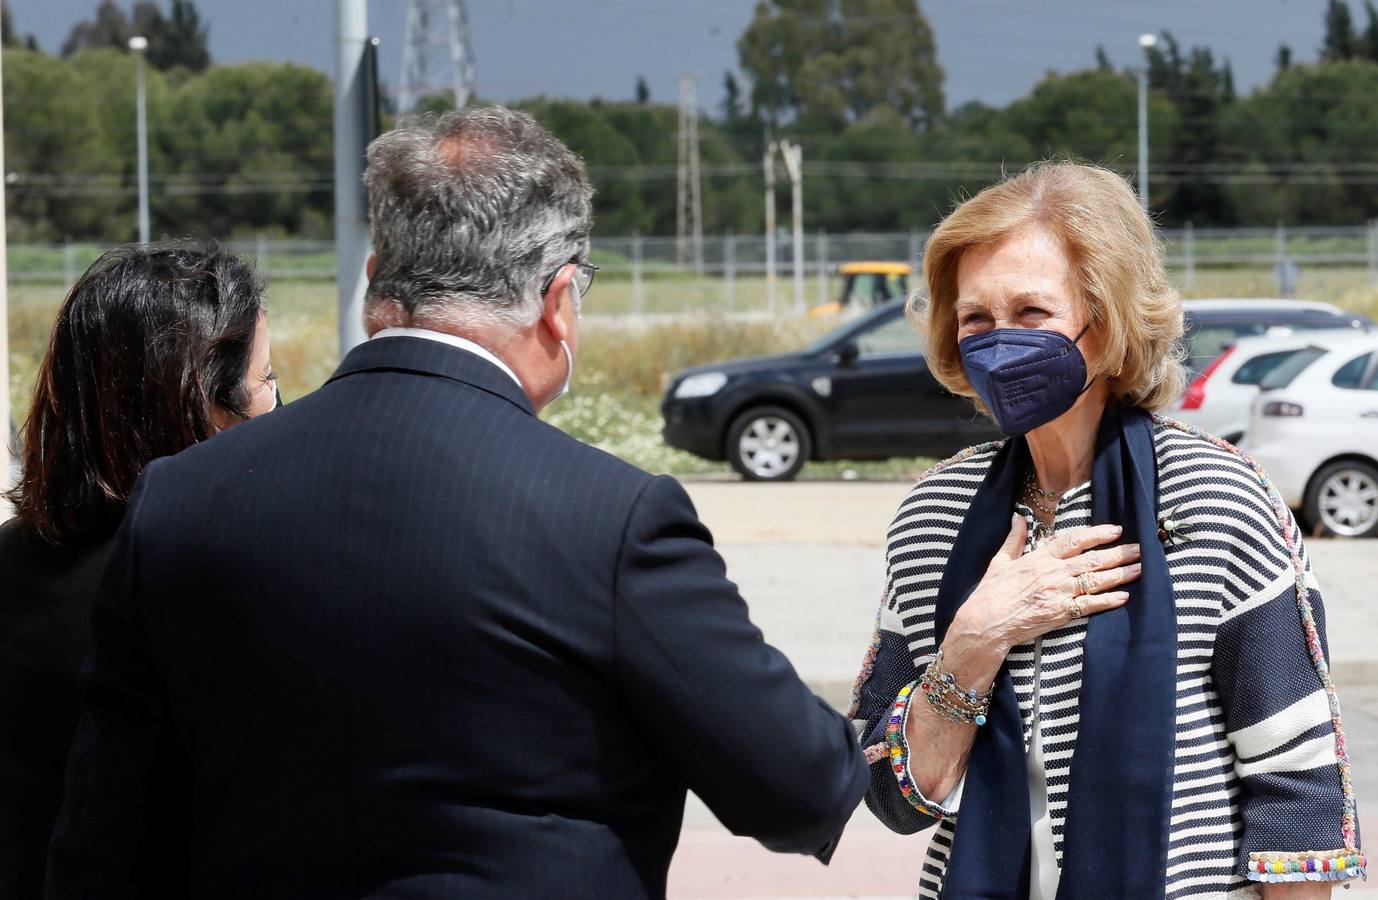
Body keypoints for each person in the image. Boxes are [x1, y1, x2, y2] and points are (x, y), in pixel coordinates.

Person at [46, 107, 869, 899]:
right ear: (557, 300)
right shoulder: (612, 517)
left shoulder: (180, 499)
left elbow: (103, 840)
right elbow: (798, 789)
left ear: (375, 281)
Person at [850, 161, 1365, 899]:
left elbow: (1297, 785)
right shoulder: (935, 514)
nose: (1000, 343)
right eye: (975, 319)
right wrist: (975, 641)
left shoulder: (1214, 497)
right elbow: (892, 793)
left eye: (1032, 314)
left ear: (1107, 320)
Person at [0, 243, 276, 898]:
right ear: (199, 406)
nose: (280, 407)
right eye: (267, 381)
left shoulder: (15, 560)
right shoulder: (211, 587)